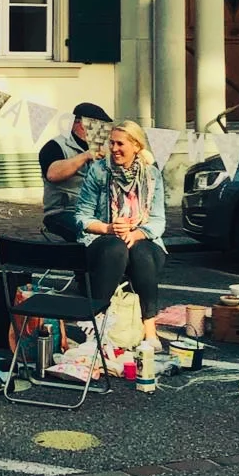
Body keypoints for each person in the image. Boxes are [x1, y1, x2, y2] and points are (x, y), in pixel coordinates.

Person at [72, 121, 167, 342]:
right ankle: (98, 319)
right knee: (116, 248)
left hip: (142, 238)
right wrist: (109, 228)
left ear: (136, 146)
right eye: (111, 143)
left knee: (141, 252)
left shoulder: (152, 175)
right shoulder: (99, 171)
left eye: (120, 144)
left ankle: (149, 327)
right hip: (104, 239)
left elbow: (158, 221)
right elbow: (81, 217)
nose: (114, 149)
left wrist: (135, 234)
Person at [40, 102, 109, 241]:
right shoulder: (55, 146)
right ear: (79, 124)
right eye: (97, 126)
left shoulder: (107, 147)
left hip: (98, 210)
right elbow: (53, 174)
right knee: (92, 234)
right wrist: (86, 156)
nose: (102, 132)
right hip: (64, 211)